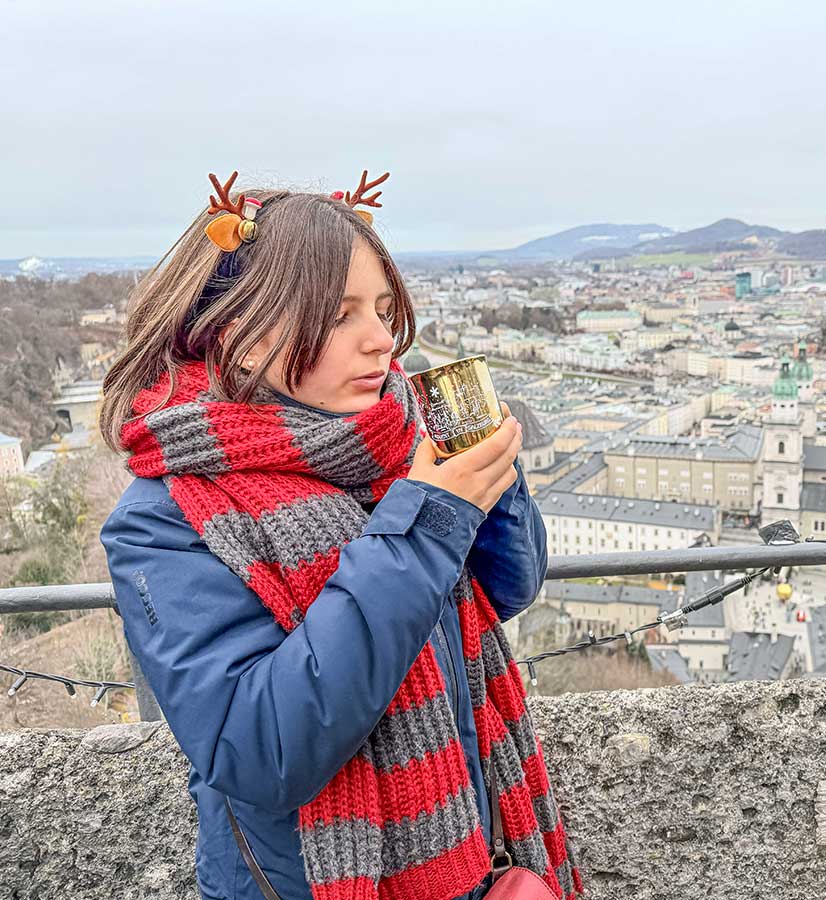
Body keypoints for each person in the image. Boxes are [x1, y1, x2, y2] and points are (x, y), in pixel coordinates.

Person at [98, 170, 584, 900]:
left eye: (385, 310)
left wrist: (490, 481)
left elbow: (507, 590)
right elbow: (261, 747)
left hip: (467, 858)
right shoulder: (165, 517)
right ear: (242, 338)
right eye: (339, 315)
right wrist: (426, 521)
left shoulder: (391, 441)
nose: (382, 340)